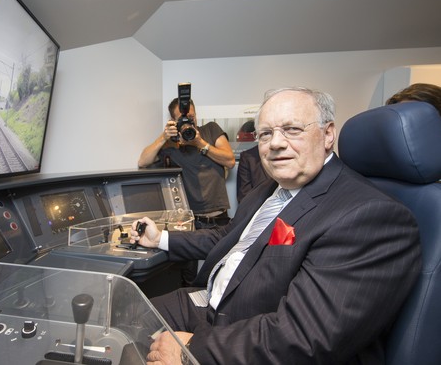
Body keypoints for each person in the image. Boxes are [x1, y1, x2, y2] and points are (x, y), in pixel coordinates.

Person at [130, 87, 421, 364]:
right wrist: (160, 239)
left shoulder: (370, 216)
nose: (276, 143)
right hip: (213, 303)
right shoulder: (270, 189)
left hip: (251, 329)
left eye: (292, 129)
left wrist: (190, 350)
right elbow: (226, 236)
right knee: (128, 315)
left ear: (328, 134)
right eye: (266, 133)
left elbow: (303, 336)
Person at [138, 97, 236, 229]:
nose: (188, 122)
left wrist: (200, 143)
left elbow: (230, 161)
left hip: (219, 219)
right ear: (173, 121)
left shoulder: (210, 129)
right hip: (189, 221)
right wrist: (164, 137)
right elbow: (143, 161)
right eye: (182, 119)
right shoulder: (171, 143)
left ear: (195, 115)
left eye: (191, 117)